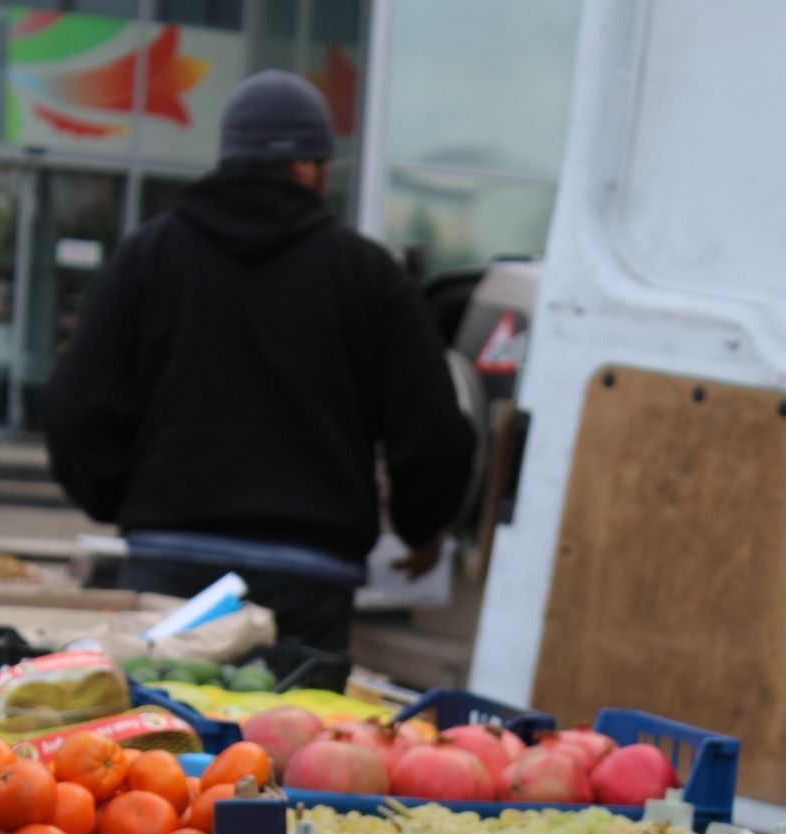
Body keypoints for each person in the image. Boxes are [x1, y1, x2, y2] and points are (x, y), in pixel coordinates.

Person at [42, 69, 477, 656]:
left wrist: (124, 502)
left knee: (165, 737)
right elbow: (432, 429)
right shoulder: (366, 274)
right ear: (308, 169)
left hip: (169, 569)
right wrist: (423, 526)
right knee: (297, 739)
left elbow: (75, 407)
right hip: (311, 578)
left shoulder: (148, 257)